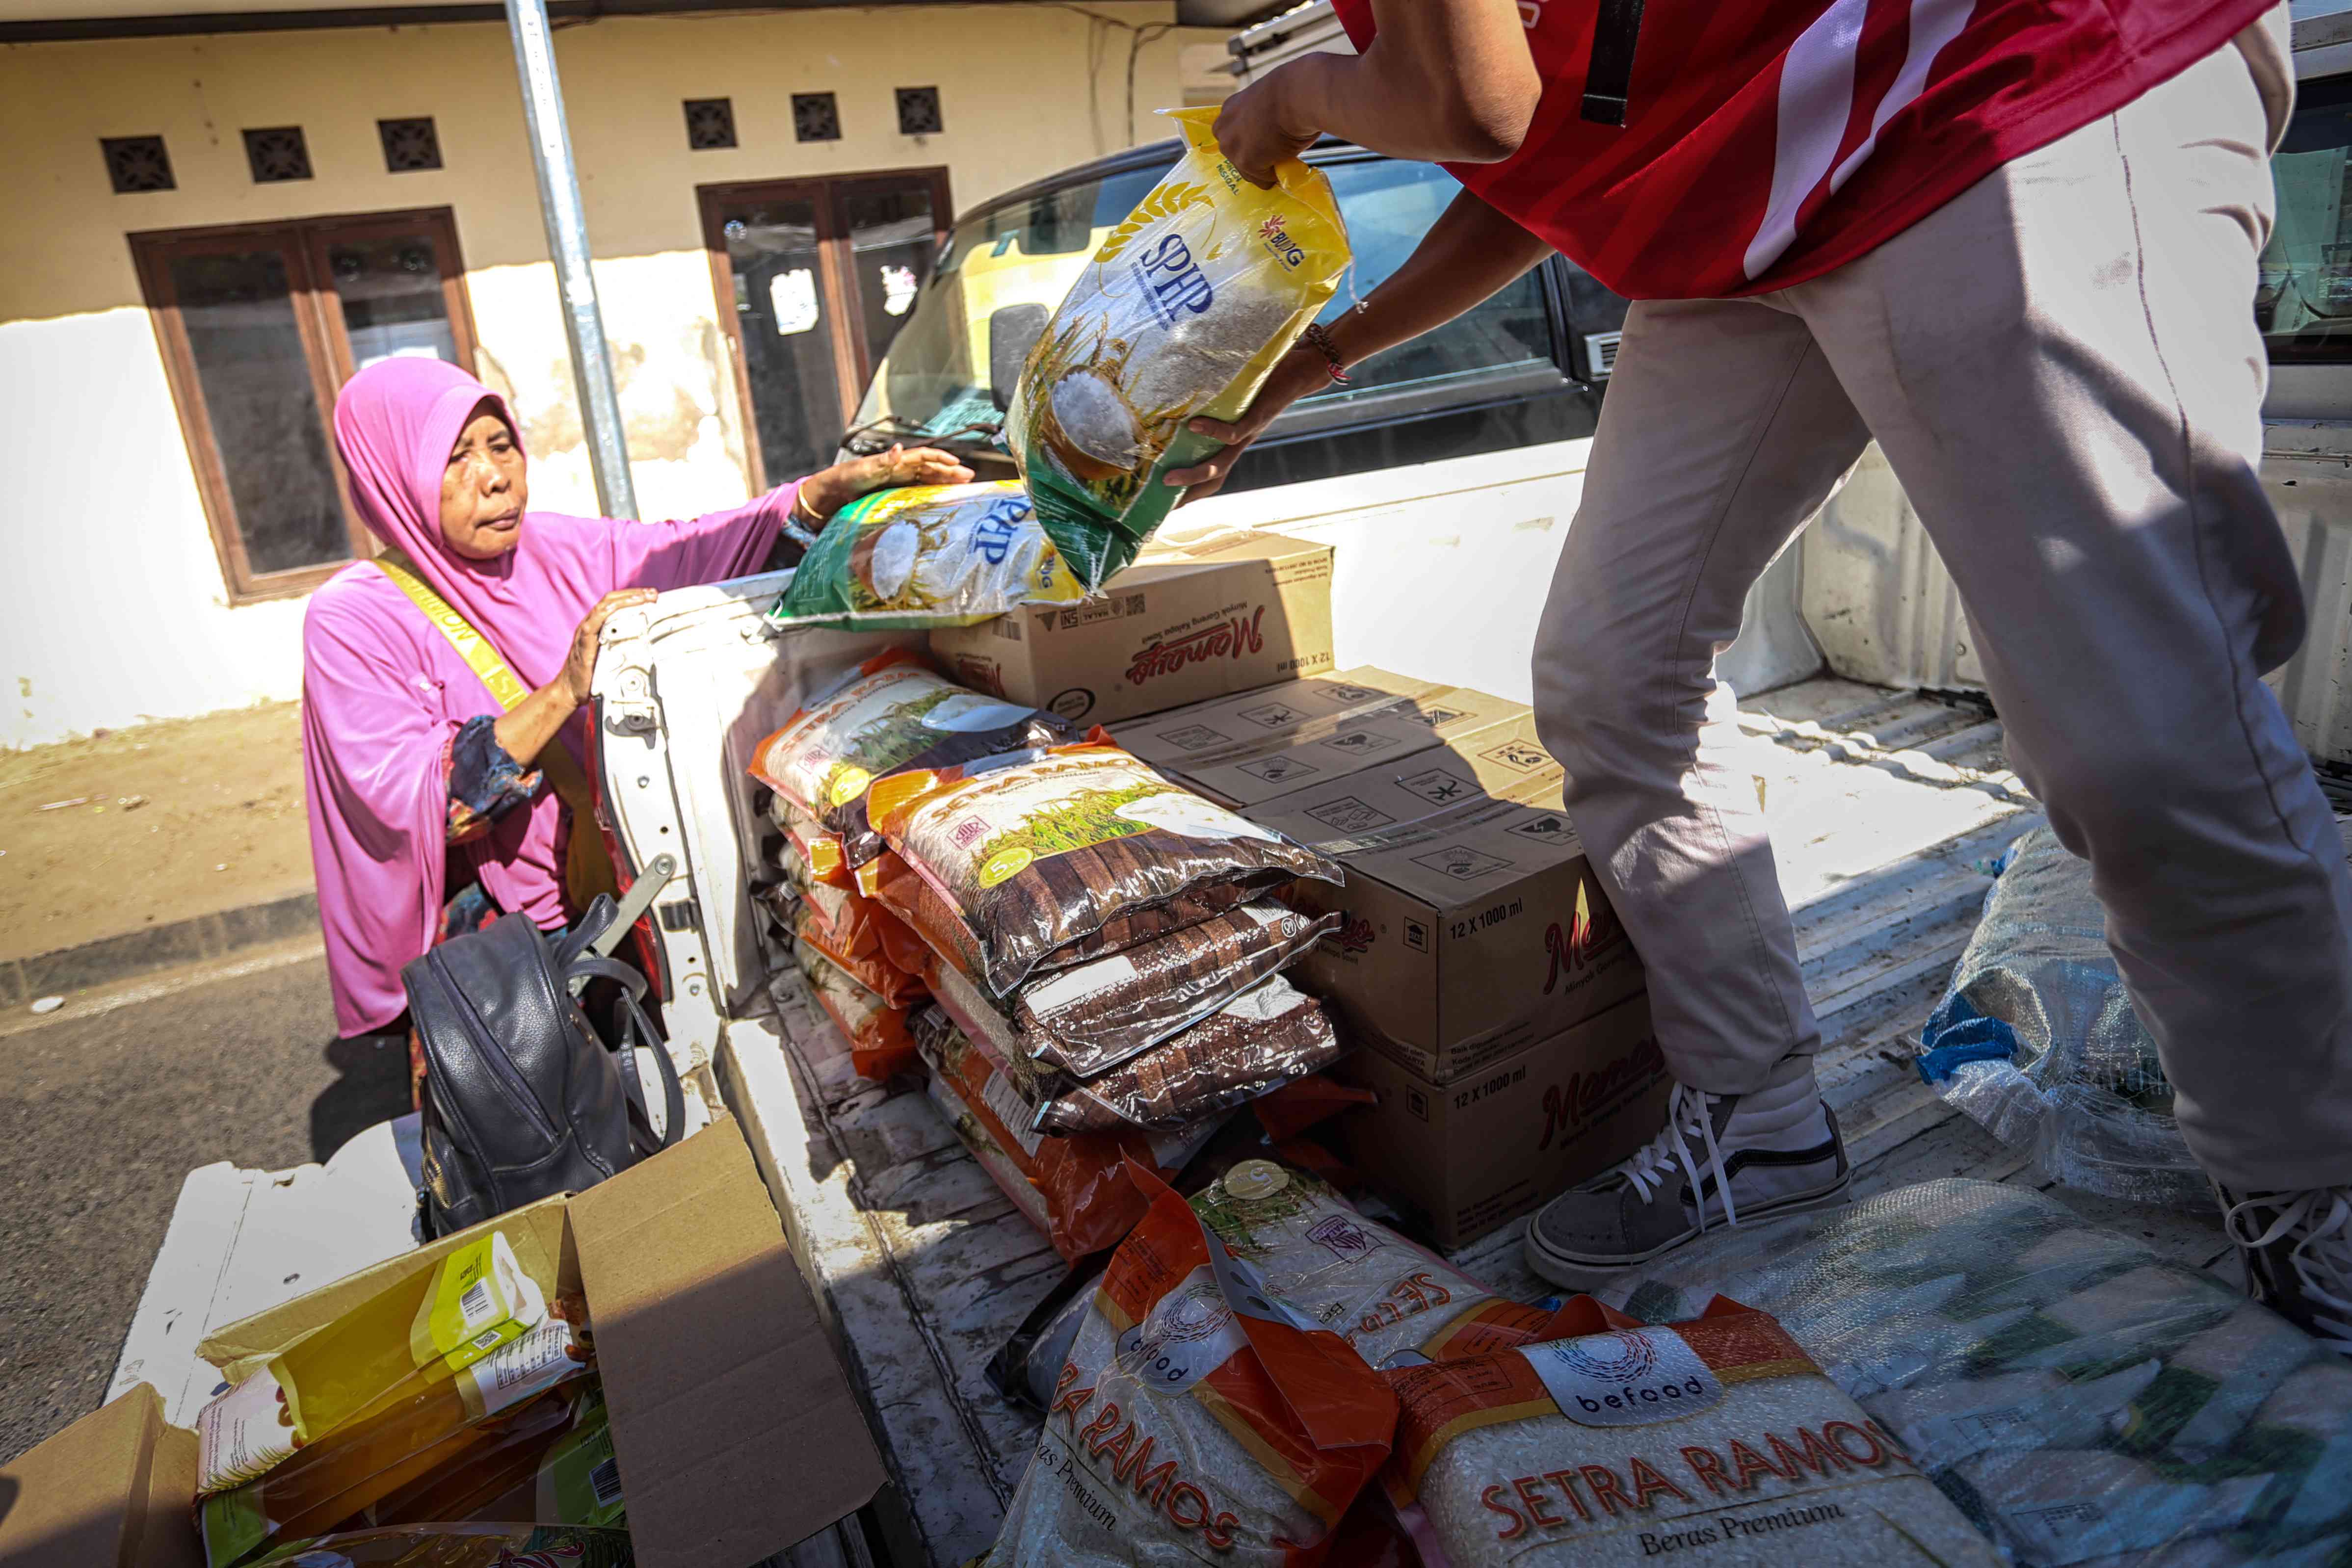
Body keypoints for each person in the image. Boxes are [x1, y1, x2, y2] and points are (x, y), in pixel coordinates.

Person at [1186, 0, 2352, 1348]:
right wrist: (1316, 356)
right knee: (1611, 677)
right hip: (1749, 198)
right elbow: (1541, 150)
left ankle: (2306, 1170)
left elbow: (1473, 107)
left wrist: (1287, 105)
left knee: (2139, 733)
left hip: (1999, 79)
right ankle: (1761, 1118)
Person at [303, 357, 970, 1047]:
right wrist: (564, 691)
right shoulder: (352, 620)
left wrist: (819, 496)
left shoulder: (559, 548)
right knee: (553, 1133)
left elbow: (695, 553)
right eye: (455, 458)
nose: (495, 477)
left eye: (500, 446)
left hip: (624, 897)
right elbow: (423, 805)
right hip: (506, 950)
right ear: (390, 476)